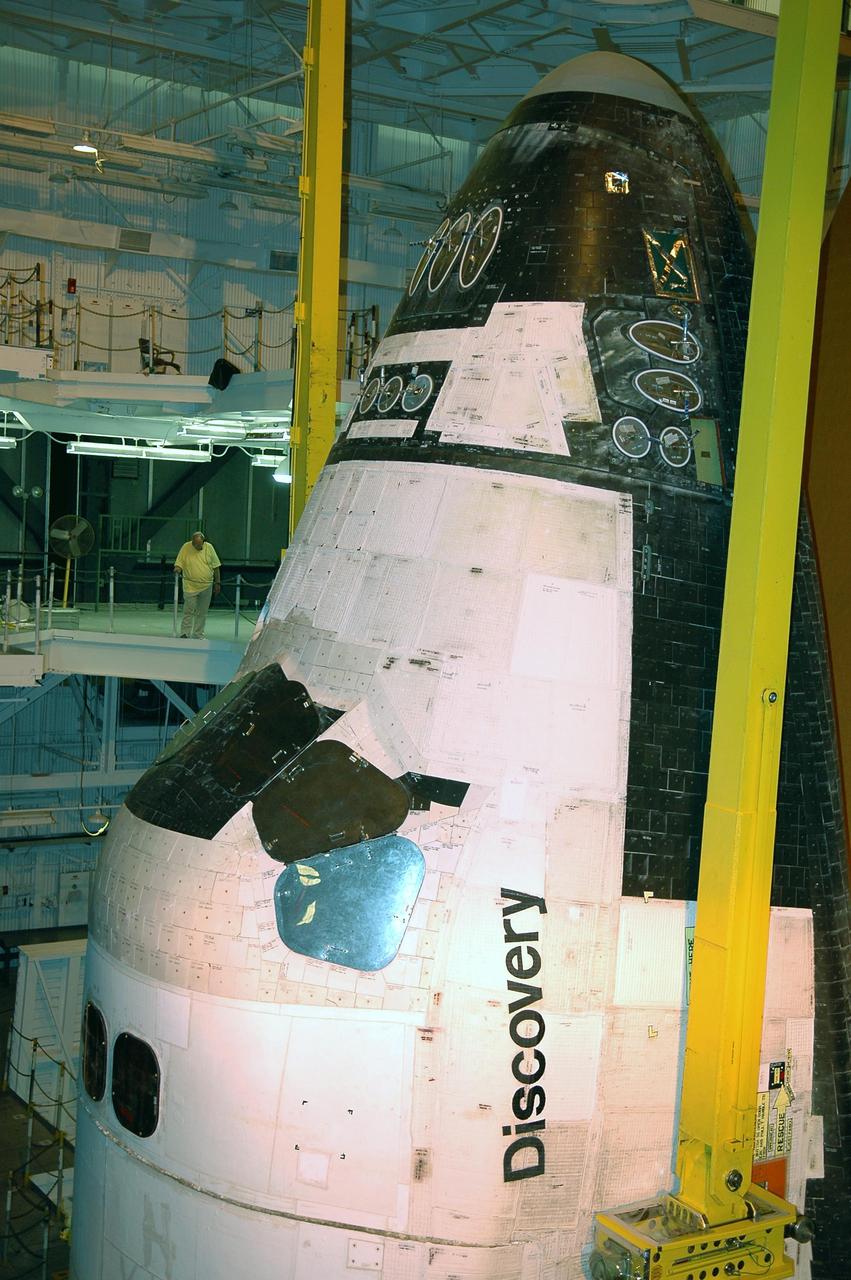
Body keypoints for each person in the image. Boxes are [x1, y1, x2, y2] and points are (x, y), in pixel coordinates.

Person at [173, 531, 221, 639]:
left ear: (203, 541)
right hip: (190, 586)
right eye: (196, 544)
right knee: (188, 611)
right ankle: (185, 633)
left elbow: (216, 566)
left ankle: (198, 634)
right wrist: (177, 569)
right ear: (192, 542)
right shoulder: (186, 547)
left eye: (200, 544)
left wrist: (217, 583)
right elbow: (179, 562)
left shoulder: (209, 548)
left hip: (206, 586)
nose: (198, 546)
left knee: (202, 612)